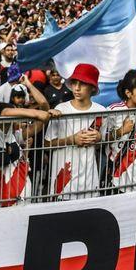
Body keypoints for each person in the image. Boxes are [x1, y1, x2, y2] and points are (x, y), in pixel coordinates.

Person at [41, 63, 106, 200]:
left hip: (89, 180)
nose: (76, 88)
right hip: (64, 182)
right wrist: (72, 140)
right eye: (74, 83)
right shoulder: (61, 109)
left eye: (82, 84)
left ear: (92, 87)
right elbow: (46, 144)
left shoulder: (100, 111)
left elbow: (102, 145)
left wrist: (99, 138)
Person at [104, 70, 136, 192]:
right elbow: (102, 140)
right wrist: (120, 131)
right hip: (119, 178)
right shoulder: (114, 111)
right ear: (128, 93)